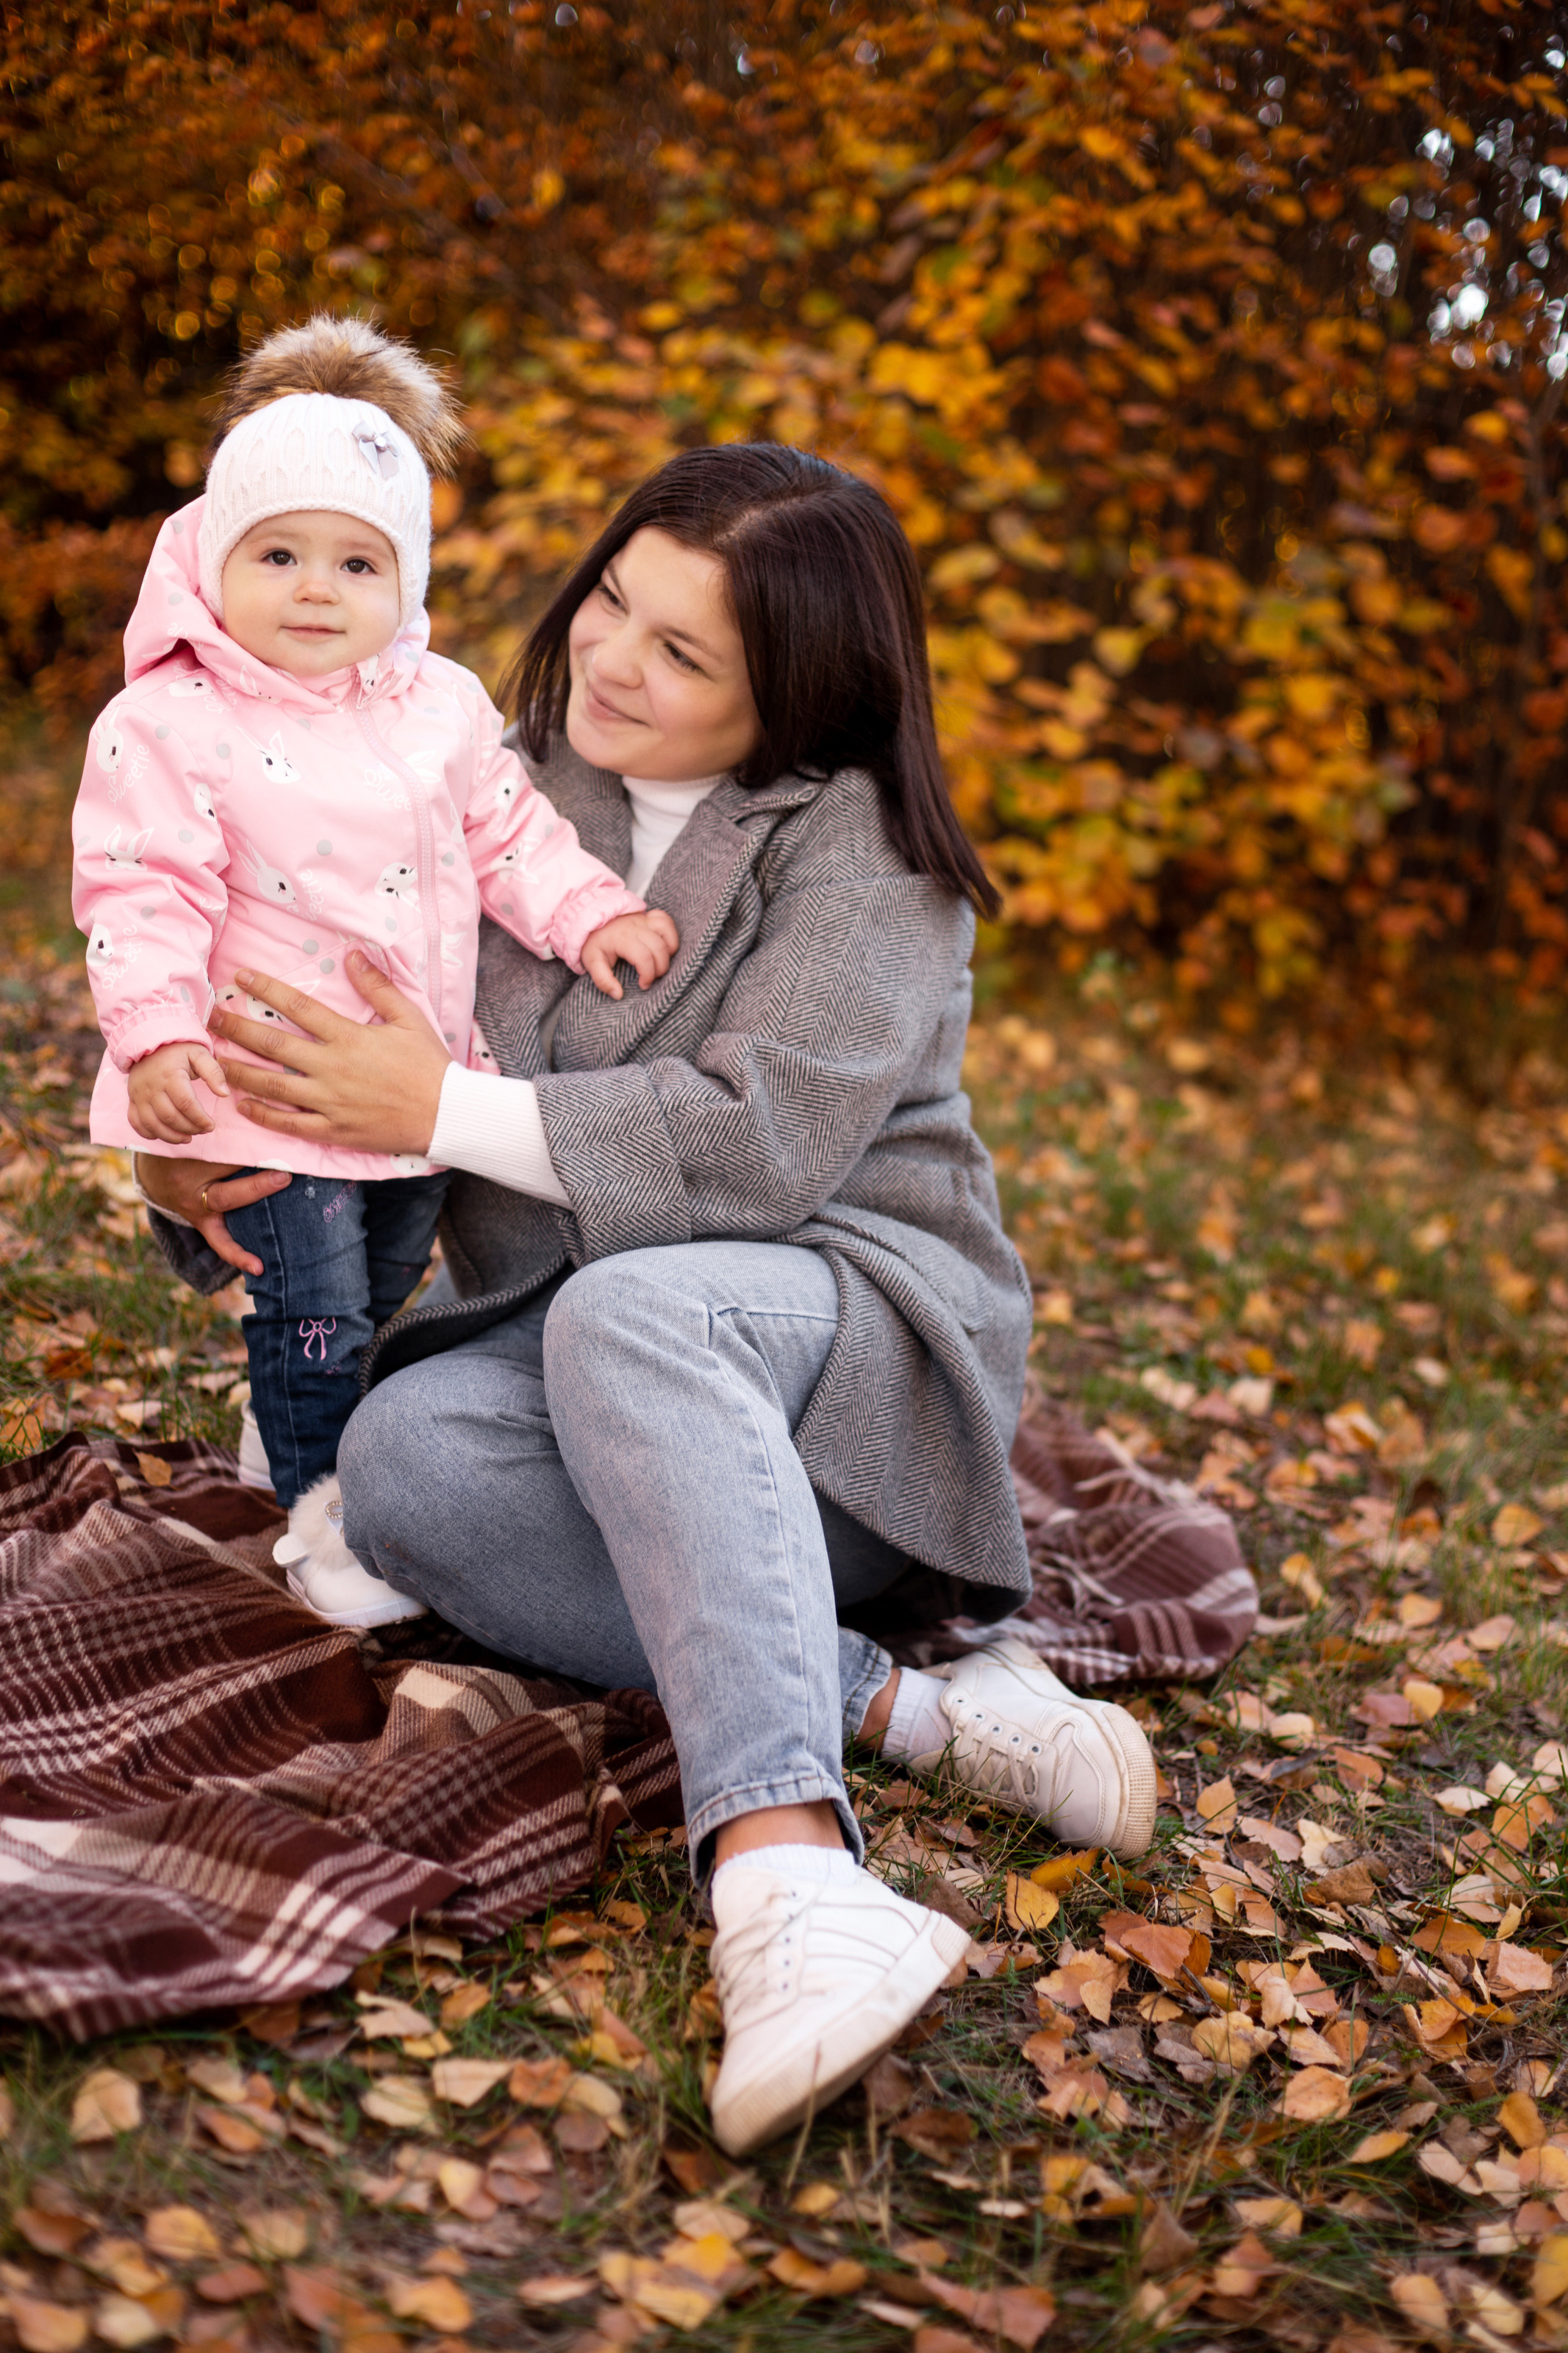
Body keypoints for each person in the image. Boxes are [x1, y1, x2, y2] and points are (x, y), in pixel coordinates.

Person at [136, 442, 1157, 2157]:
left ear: (796, 696)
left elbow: (760, 1152)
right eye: (612, 598)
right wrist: (196, 1158)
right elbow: (302, 1032)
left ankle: (790, 1883)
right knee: (395, 1464)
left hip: (843, 1359)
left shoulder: (865, 857)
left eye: (683, 655)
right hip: (581, 1376)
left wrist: (437, 1110)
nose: (610, 657)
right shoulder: (467, 784)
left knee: (644, 1317)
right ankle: (893, 1703)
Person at [74, 316, 676, 1626]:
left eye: (356, 562)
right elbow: (141, 887)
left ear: (402, 583)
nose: (312, 588)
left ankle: (298, 1423)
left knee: (391, 1273)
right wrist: (159, 1035)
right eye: (277, 553)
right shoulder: (172, 721)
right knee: (316, 1313)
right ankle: (318, 1516)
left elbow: (512, 832)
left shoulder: (442, 705)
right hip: (264, 1078)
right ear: (209, 557)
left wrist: (591, 915)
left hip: (412, 1083)